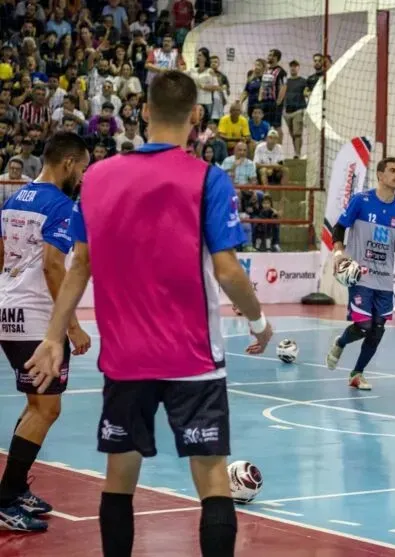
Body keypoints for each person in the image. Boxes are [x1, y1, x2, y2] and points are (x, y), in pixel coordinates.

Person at [23, 71, 273, 557]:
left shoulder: (97, 177)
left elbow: (81, 266)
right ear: (197, 116)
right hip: (194, 359)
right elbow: (227, 270)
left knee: (120, 480)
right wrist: (259, 320)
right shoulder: (208, 178)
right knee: (212, 476)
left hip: (125, 358)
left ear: (143, 111)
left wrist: (54, 337)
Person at [0, 132, 92, 532]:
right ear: (68, 163)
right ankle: (5, 501)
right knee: (48, 408)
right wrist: (70, 327)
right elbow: (55, 266)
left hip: (9, 308)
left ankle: (16, 488)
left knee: (36, 404)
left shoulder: (14, 198)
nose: (84, 177)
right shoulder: (61, 205)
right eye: (83, 168)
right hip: (37, 317)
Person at [326, 157, 395, 390]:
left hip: (384, 278)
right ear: (379, 175)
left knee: (378, 330)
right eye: (392, 171)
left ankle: (357, 374)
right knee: (364, 326)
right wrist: (338, 254)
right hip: (360, 274)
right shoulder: (361, 200)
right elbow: (339, 228)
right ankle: (341, 341)